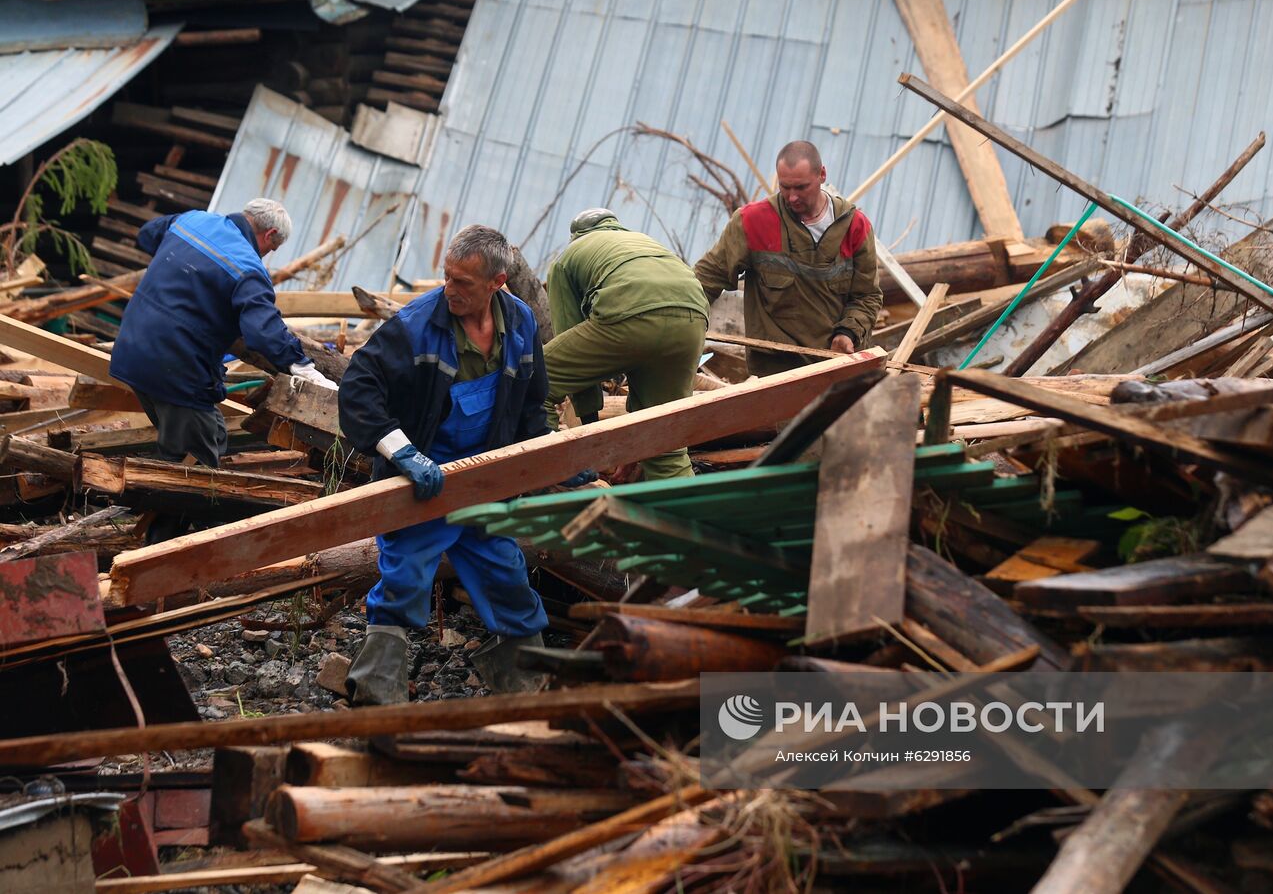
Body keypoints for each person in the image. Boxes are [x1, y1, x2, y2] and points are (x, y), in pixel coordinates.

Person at [338, 225, 550, 703]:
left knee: (506, 574)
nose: (449, 290)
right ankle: (376, 694)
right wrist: (402, 452)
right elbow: (358, 388)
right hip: (424, 483)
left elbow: (532, 407)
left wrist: (549, 459)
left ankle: (526, 689)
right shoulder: (415, 326)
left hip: (484, 483)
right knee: (405, 577)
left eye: (463, 283)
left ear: (497, 282)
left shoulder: (519, 325)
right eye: (447, 277)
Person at [110, 198, 336, 543]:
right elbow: (263, 332)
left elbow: (147, 235)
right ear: (269, 234)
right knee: (195, 462)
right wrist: (305, 368)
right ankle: (158, 554)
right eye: (271, 248)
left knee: (193, 442)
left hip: (131, 351)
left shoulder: (191, 220)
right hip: (177, 372)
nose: (267, 255)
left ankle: (156, 535)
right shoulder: (248, 267)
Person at [543, 209, 709, 480]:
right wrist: (634, 446)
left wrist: (589, 431)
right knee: (663, 440)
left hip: (630, 311)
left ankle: (541, 482)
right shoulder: (643, 242)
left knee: (536, 382)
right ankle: (693, 519)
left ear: (576, 236)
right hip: (692, 319)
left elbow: (569, 331)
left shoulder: (567, 259)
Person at [693, 140, 882, 376]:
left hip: (834, 367)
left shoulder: (854, 227)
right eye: (785, 187)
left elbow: (868, 296)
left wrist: (848, 332)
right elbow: (708, 277)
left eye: (801, 188)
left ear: (822, 175)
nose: (792, 197)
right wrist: (679, 321)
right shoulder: (753, 222)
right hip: (775, 370)